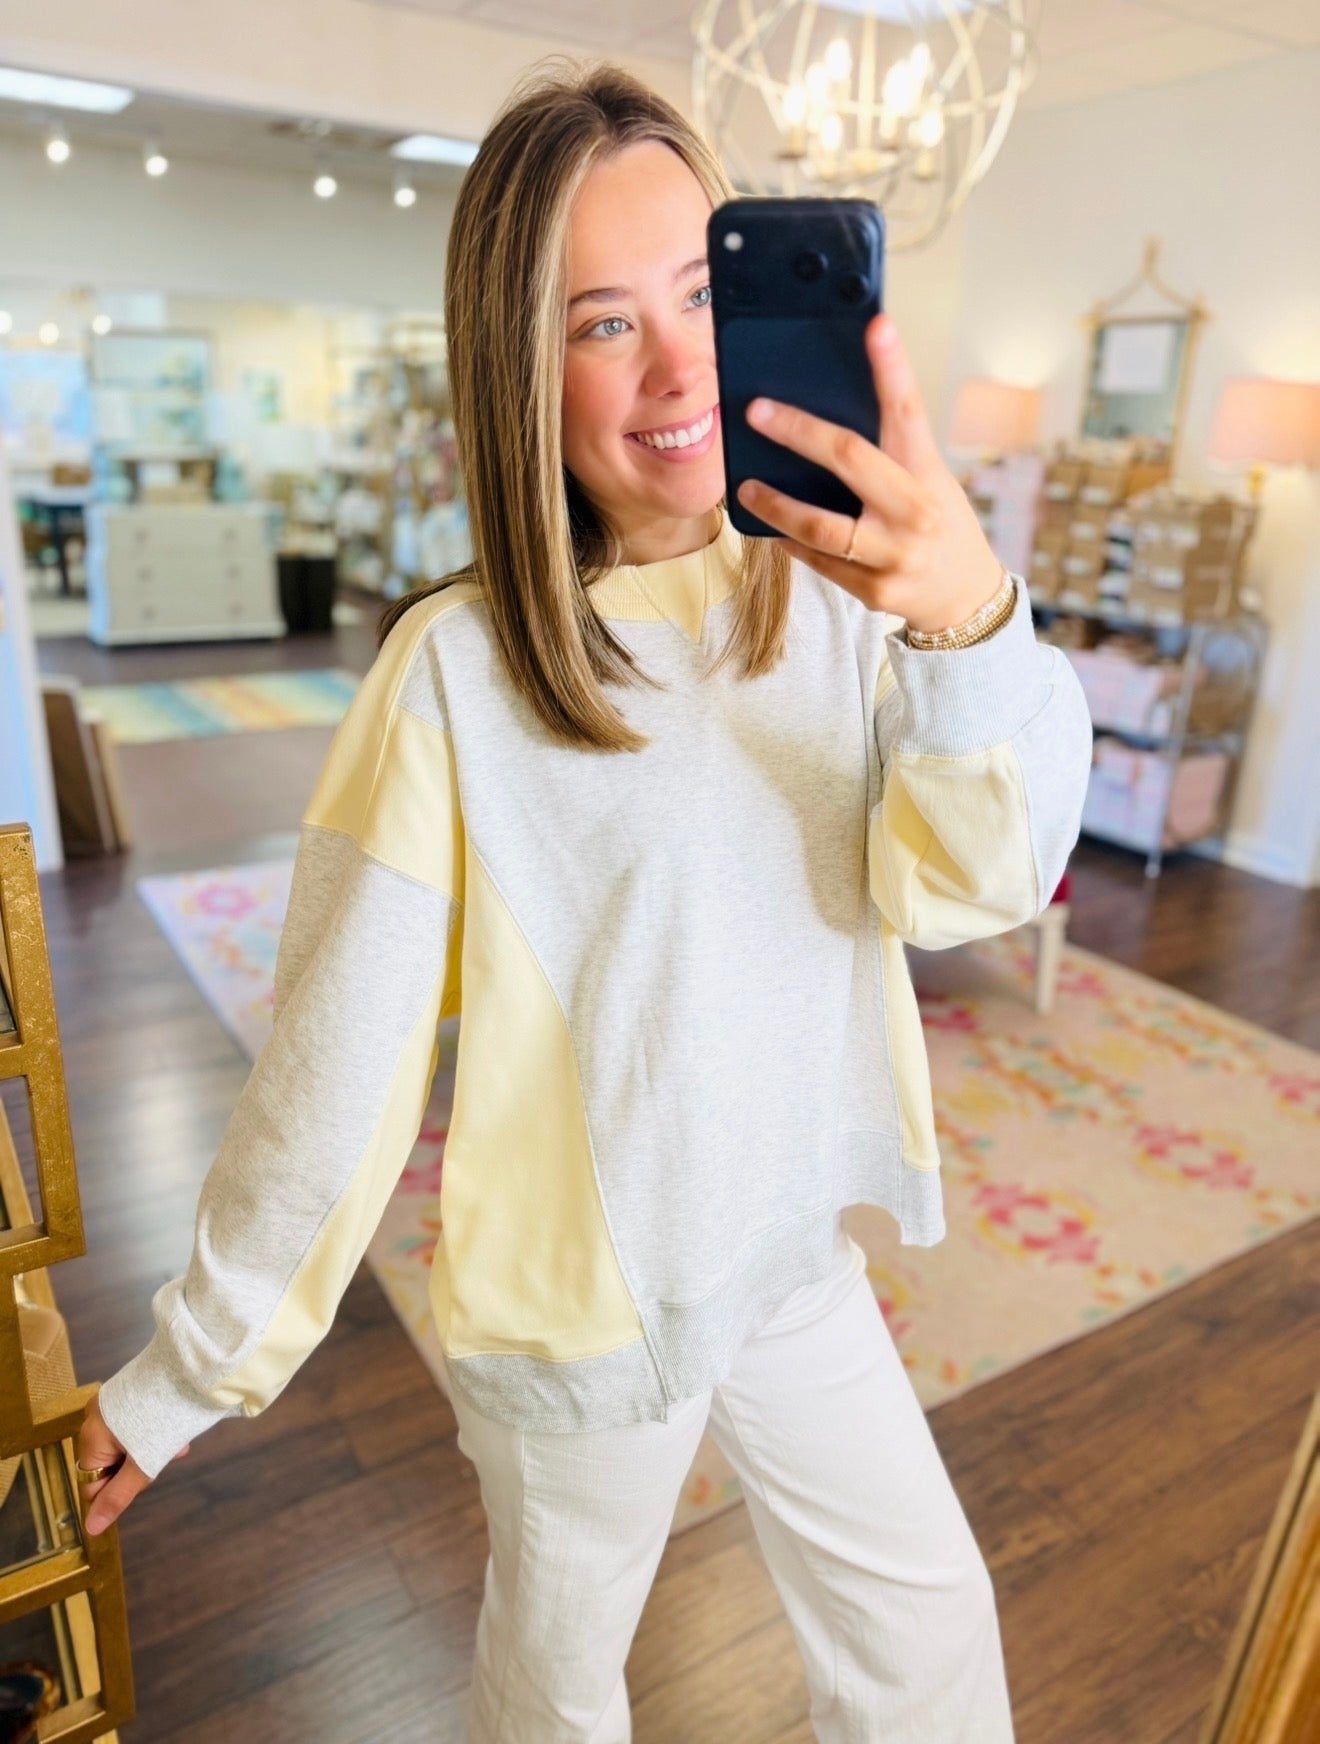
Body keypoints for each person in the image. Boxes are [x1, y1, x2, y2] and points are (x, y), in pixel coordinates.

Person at [76, 56, 1093, 1744]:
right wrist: (187, 1371)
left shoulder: (848, 597)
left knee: (928, 1639)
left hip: (789, 1252)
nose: (681, 364)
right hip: (581, 1322)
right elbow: (335, 1067)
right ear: (518, 370)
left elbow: (970, 890)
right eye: (603, 322)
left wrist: (972, 621)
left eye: (704, 292)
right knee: (557, 1696)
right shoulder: (455, 674)